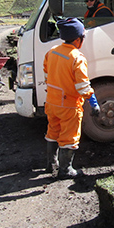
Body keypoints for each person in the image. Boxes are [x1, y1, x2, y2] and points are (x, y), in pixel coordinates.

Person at [43, 18, 101, 179]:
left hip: (51, 102)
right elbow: (82, 86)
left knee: (53, 131)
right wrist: (93, 102)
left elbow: (47, 73)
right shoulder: (77, 58)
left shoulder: (52, 51)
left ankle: (50, 164)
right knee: (69, 136)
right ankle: (65, 170)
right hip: (69, 105)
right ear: (77, 39)